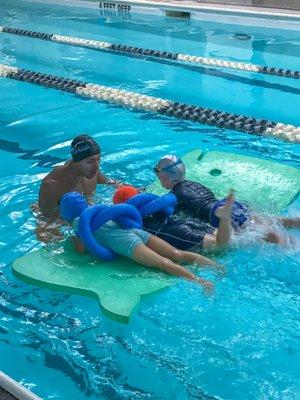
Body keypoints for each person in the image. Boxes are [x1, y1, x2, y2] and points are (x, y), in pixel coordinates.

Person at [60, 192, 224, 294]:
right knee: (176, 253)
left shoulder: (78, 222)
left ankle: (200, 282)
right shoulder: (98, 208)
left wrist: (73, 239)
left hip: (127, 243)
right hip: (135, 232)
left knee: (163, 263)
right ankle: (215, 266)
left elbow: (82, 249)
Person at [151, 154, 300, 247]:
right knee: (265, 221)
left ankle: (293, 246)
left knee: (263, 235)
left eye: (160, 179)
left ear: (166, 178)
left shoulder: (175, 195)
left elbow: (168, 213)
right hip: (229, 204)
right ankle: (294, 221)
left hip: (217, 214)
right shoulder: (194, 184)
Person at [35, 134, 118, 242]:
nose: (97, 166)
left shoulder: (93, 172)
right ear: (75, 161)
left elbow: (111, 183)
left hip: (86, 215)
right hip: (62, 219)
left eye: (98, 159)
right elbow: (45, 219)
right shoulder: (52, 185)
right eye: (90, 161)